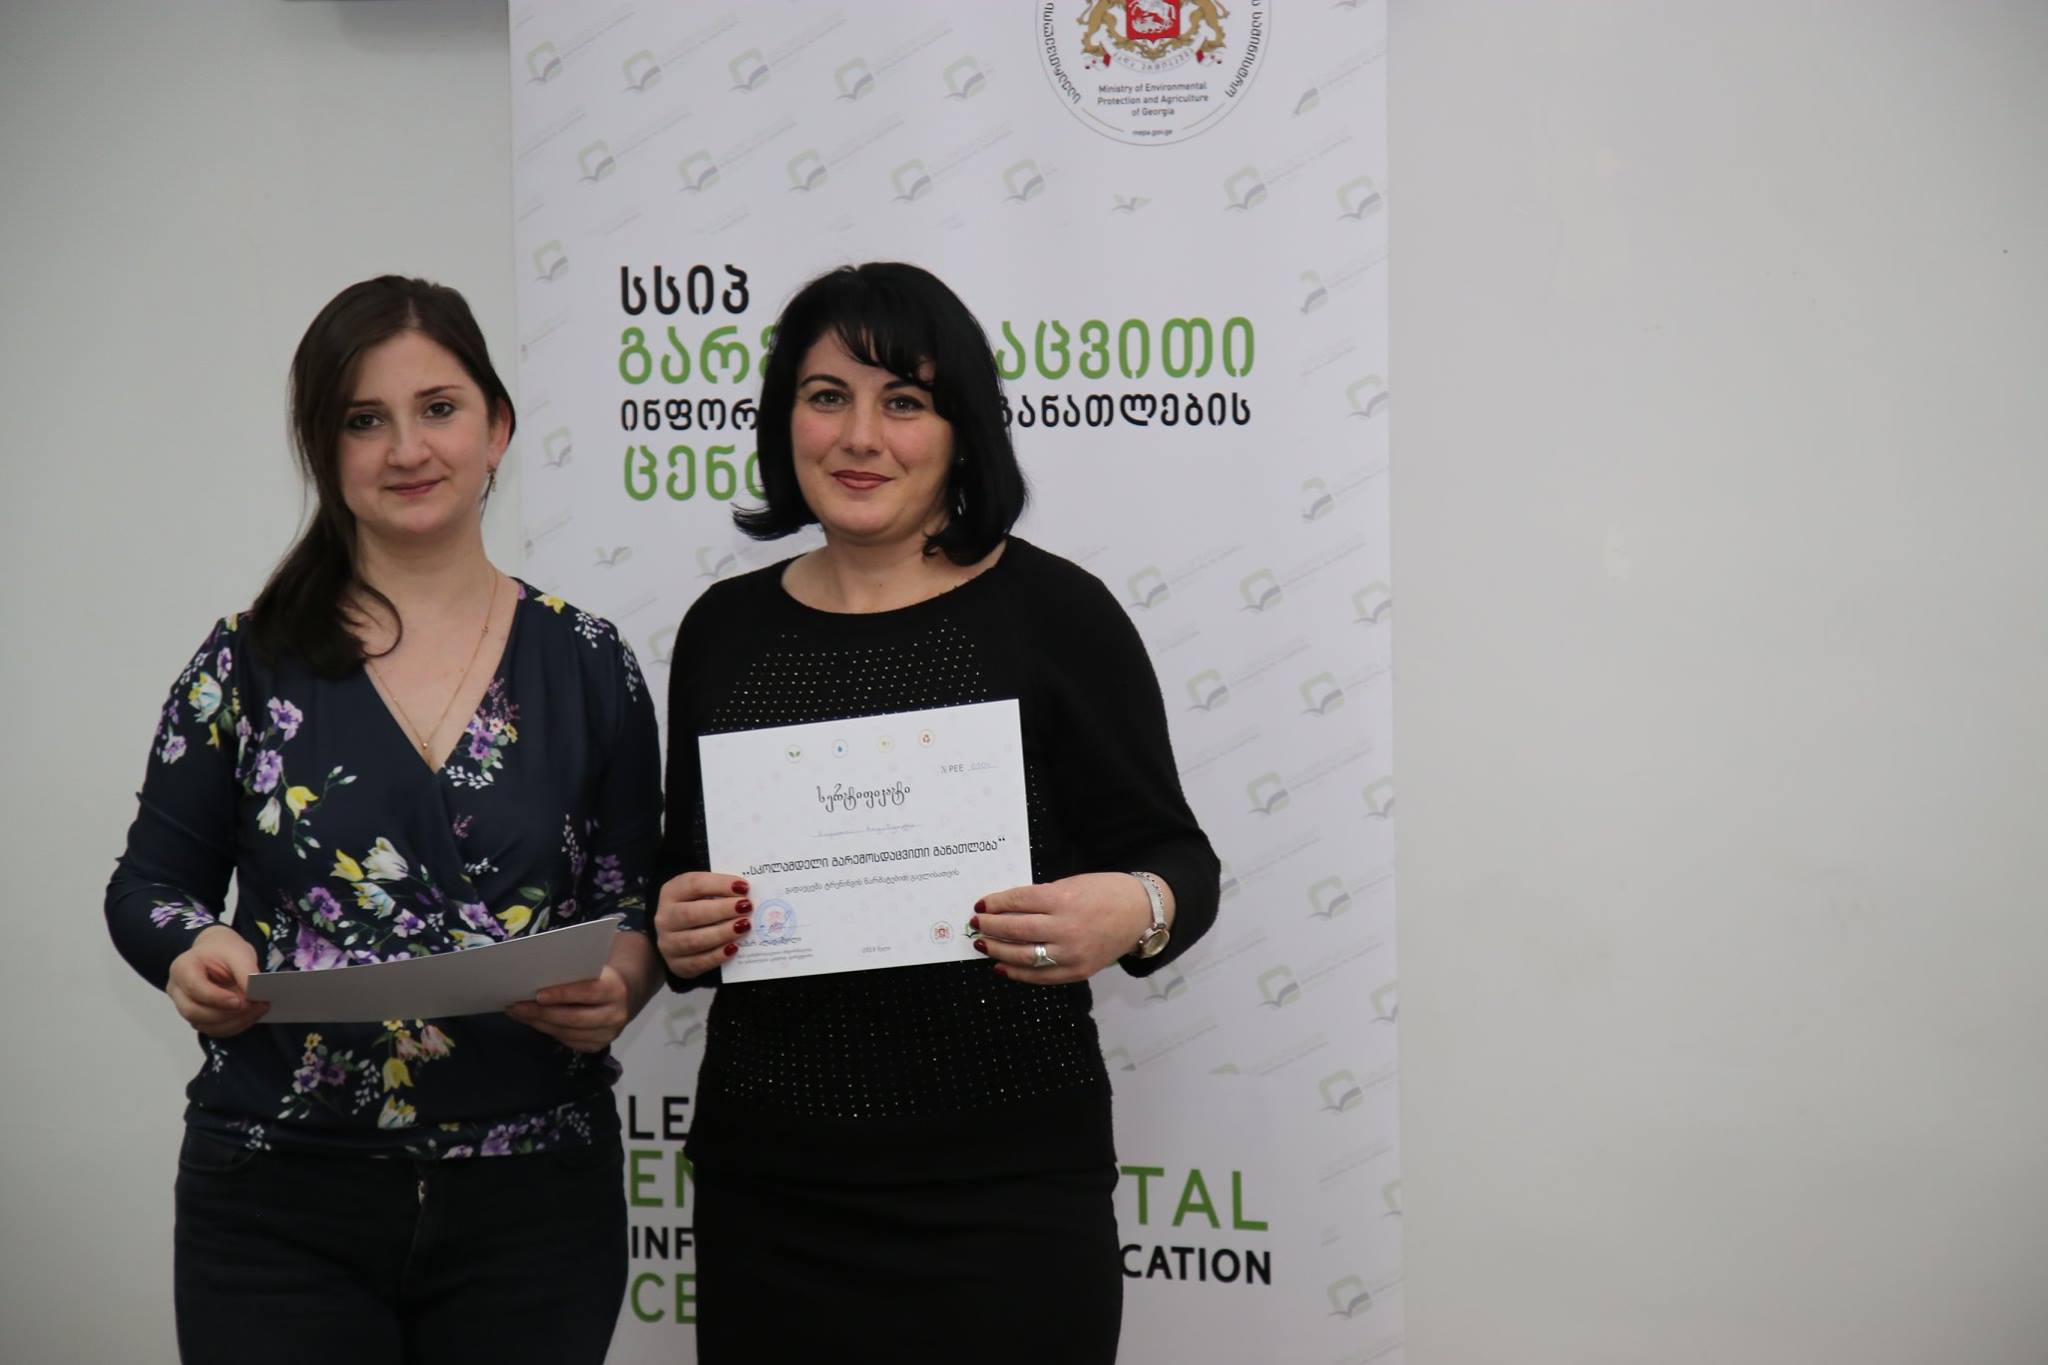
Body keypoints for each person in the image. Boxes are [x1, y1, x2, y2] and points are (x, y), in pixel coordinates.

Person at [654, 262, 1220, 1362]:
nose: (859, 436)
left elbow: (1178, 861)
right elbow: (682, 888)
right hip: (771, 1199)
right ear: (783, 420)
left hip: (1007, 1200)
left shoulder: (1056, 613)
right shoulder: (723, 631)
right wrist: (677, 928)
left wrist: (1133, 908)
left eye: (903, 401)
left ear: (962, 431)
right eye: (827, 396)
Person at [104, 276, 663, 1365]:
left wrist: (622, 986)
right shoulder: (245, 662)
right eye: (364, 420)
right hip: (277, 1198)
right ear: (324, 449)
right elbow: (148, 887)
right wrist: (192, 948)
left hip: (536, 1204)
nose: (407, 449)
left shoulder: (591, 662)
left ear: (498, 428)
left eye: (438, 408)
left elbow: (630, 901)